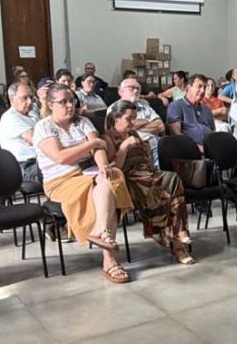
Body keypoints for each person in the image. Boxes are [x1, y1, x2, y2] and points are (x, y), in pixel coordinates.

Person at [36, 84, 132, 284]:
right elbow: (62, 158)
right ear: (51, 104)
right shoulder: (43, 127)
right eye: (63, 102)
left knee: (112, 176)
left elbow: (100, 149)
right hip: (61, 181)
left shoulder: (82, 121)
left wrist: (103, 166)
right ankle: (110, 260)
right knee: (108, 192)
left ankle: (101, 232)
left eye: (72, 101)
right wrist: (91, 145)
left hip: (87, 174)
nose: (70, 105)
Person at [105, 100, 194, 265]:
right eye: (129, 119)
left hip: (146, 172)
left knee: (172, 179)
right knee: (159, 192)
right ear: (116, 117)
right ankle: (177, 244)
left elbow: (148, 160)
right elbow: (114, 168)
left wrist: (146, 153)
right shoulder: (108, 137)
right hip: (128, 177)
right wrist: (124, 147)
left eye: (134, 118)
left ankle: (178, 233)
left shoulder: (134, 134)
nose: (133, 123)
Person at [117, 75, 166, 165]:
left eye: (138, 89)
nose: (136, 91)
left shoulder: (145, 105)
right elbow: (123, 129)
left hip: (158, 146)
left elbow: (160, 125)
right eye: (131, 88)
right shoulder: (114, 109)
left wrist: (135, 127)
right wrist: (148, 121)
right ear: (120, 91)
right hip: (138, 151)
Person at [0, 81, 41, 181]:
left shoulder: (33, 115)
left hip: (40, 161)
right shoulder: (10, 117)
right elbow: (40, 140)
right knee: (60, 173)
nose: (30, 102)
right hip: (23, 166)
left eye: (31, 97)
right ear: (12, 99)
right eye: (24, 98)